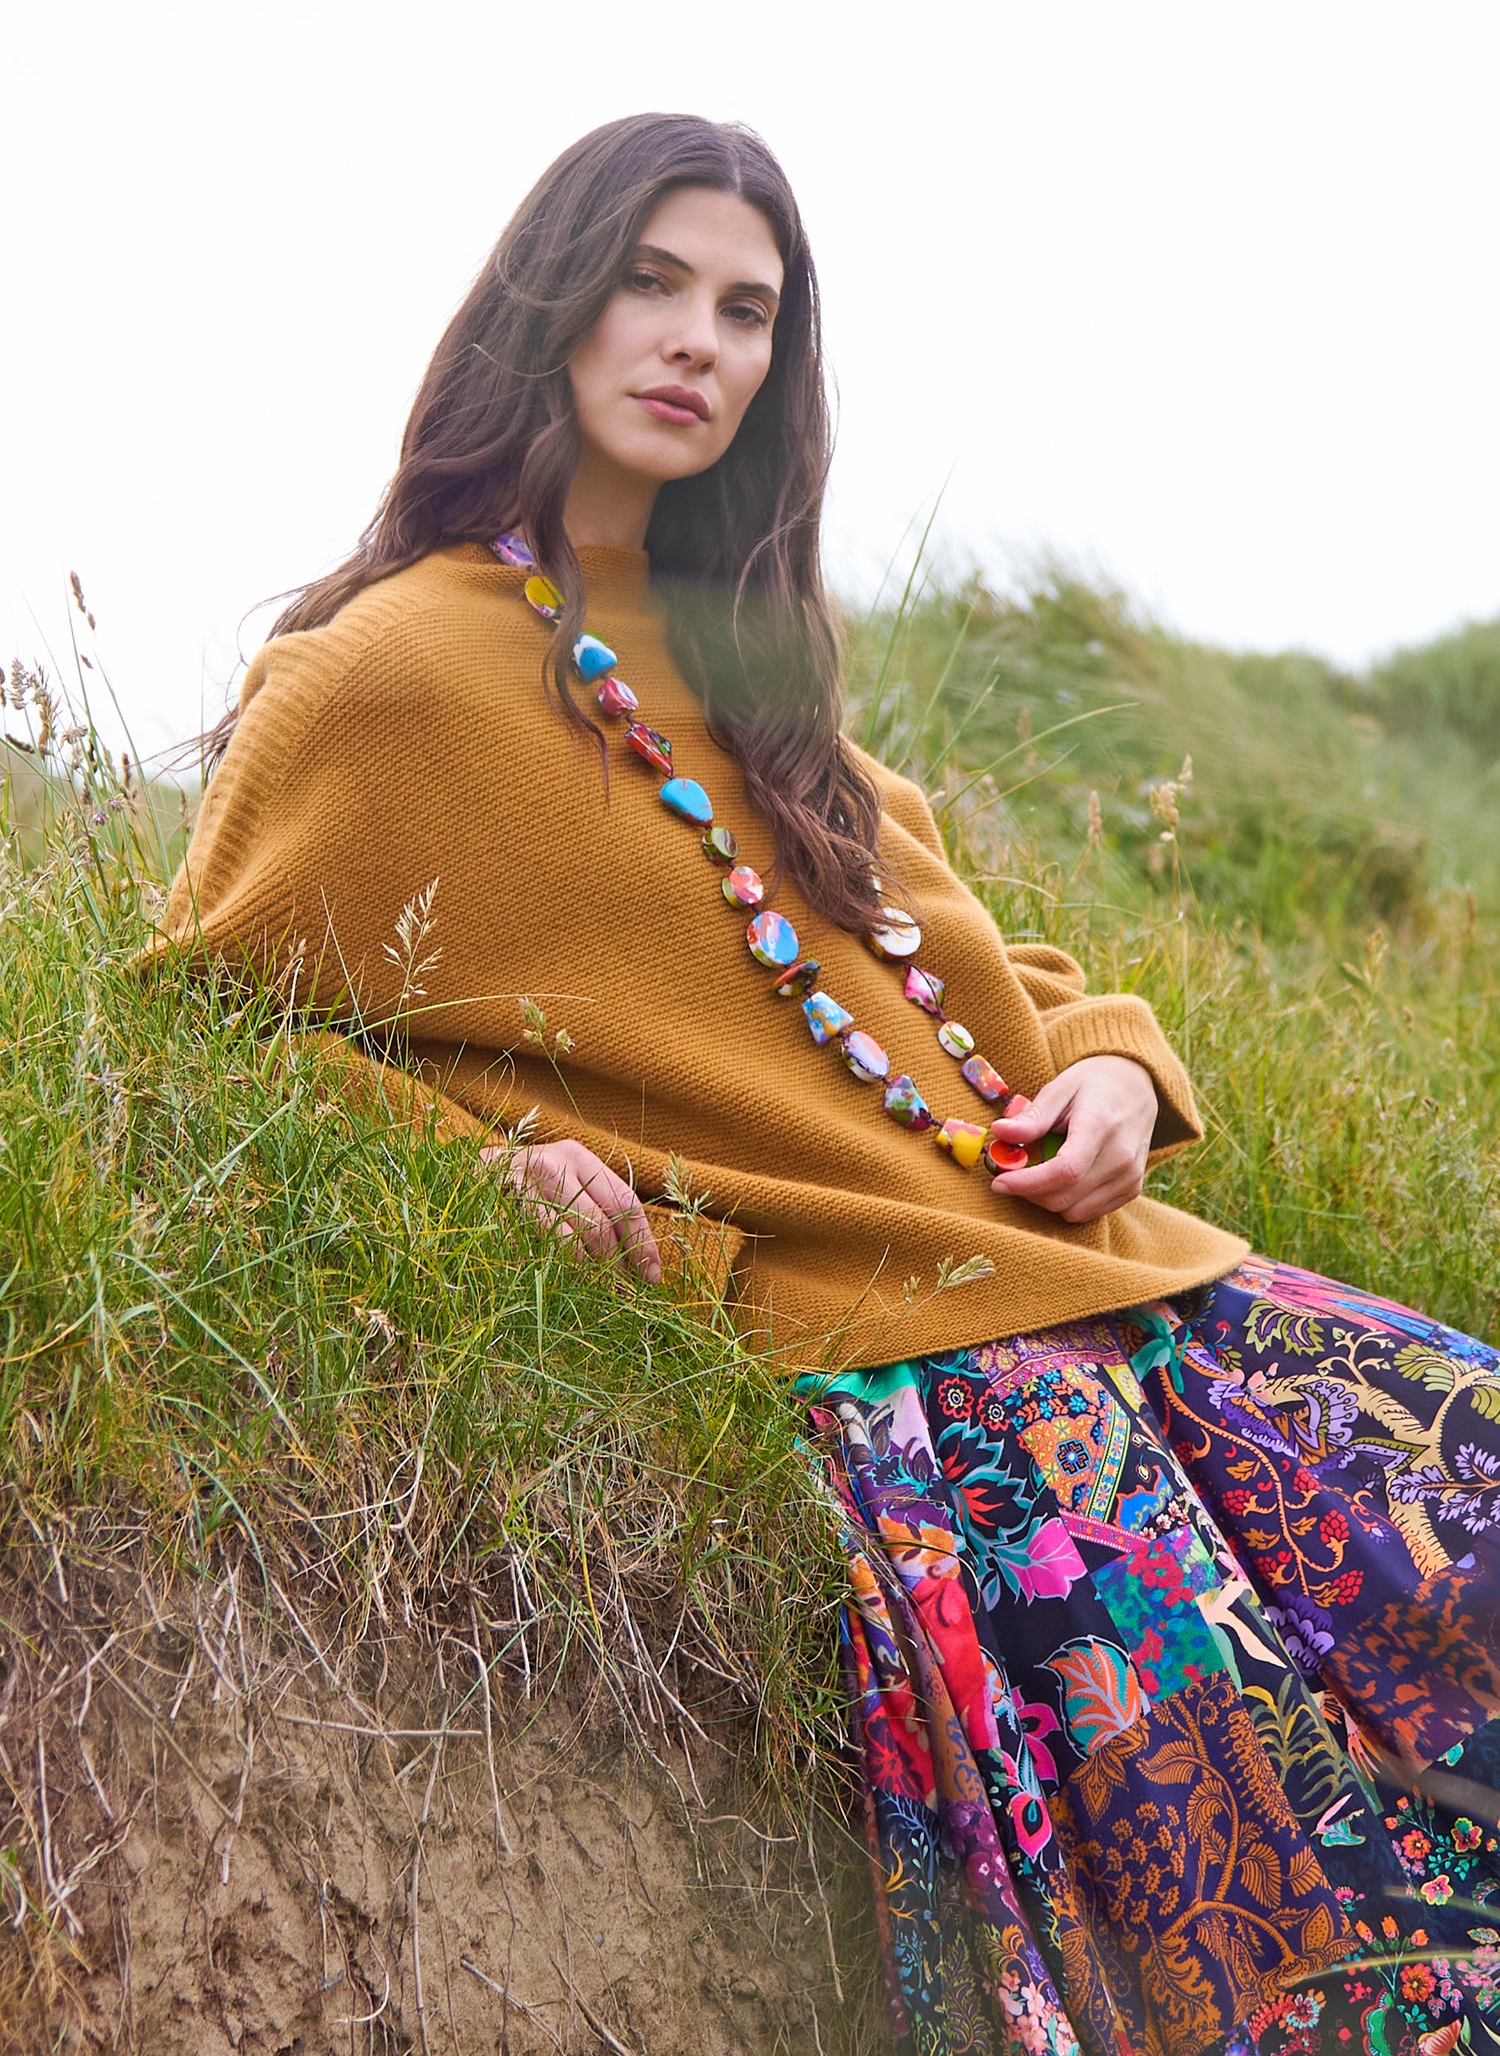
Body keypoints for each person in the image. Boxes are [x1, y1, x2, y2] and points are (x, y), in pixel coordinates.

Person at [160, 113, 1500, 2056]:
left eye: (748, 309)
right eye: (651, 280)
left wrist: (1120, 1068)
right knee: (1260, 1841)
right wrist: (478, 1159)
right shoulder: (385, 676)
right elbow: (210, 1029)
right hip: (913, 1360)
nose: (699, 337)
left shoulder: (763, 675)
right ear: (546, 298)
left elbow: (956, 964)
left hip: (1117, 1271)